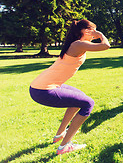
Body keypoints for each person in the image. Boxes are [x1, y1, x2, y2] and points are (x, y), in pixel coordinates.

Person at [29, 20, 110, 155]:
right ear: (84, 31)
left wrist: (95, 34)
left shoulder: (78, 44)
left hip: (43, 86)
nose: (94, 33)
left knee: (80, 98)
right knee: (88, 103)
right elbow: (106, 45)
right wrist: (101, 34)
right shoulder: (78, 44)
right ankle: (64, 146)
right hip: (43, 90)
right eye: (93, 30)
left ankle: (60, 135)